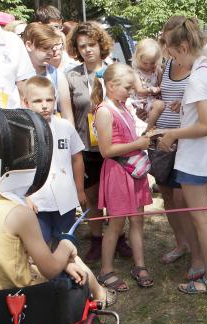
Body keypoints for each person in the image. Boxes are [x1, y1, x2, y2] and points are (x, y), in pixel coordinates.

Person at [0, 108, 111, 306]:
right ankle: (101, 295)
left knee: (68, 264)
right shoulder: (19, 214)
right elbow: (51, 269)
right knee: (73, 262)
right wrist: (66, 245)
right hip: (27, 306)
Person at [155, 16, 207, 295]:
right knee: (205, 217)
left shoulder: (199, 77)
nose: (170, 57)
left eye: (172, 51)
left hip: (195, 160)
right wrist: (184, 107)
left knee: (200, 220)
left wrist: (172, 134)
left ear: (184, 46)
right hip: (204, 158)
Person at [64, 22, 131, 261]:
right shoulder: (70, 75)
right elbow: (68, 114)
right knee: (91, 197)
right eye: (81, 46)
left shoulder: (116, 70)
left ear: (100, 44)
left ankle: (119, 236)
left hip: (115, 146)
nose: (87, 50)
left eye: (91, 44)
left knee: (115, 195)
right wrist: (74, 150)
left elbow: (128, 103)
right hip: (87, 147)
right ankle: (96, 239)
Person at [92, 63, 154, 291]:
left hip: (134, 172)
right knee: (116, 223)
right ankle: (106, 270)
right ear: (111, 85)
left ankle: (140, 265)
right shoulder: (104, 111)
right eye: (128, 87)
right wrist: (137, 144)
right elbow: (106, 151)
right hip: (118, 173)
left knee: (138, 220)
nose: (131, 92)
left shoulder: (123, 106)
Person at [145, 52, 202, 272]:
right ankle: (182, 244)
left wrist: (186, 105)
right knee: (167, 195)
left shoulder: (198, 67)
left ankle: (198, 249)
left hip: (186, 141)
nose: (167, 46)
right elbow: (158, 97)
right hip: (162, 139)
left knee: (182, 198)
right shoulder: (166, 65)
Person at [23, 76, 85, 246]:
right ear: (26, 102)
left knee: (65, 241)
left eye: (49, 100)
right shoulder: (21, 131)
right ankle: (47, 272)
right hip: (37, 201)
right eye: (37, 101)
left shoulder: (65, 126)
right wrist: (25, 197)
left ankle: (64, 272)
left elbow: (77, 158)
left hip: (65, 198)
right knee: (40, 244)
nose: (44, 105)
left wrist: (79, 190)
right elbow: (16, 170)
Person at [23, 23, 74, 124]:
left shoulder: (57, 76)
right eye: (45, 48)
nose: (51, 53)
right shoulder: (17, 76)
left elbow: (67, 117)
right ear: (29, 45)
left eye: (52, 48)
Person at [130, 38, 165, 132]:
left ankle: (151, 127)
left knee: (160, 105)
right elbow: (140, 91)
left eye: (152, 63)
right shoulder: (136, 72)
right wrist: (150, 90)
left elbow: (161, 86)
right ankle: (147, 130)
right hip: (141, 102)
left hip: (152, 100)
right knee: (159, 105)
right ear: (137, 57)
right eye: (145, 63)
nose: (149, 66)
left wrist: (159, 89)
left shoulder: (157, 70)